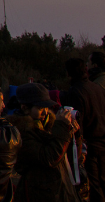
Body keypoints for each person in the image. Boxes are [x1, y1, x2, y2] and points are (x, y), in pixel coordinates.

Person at [6, 83, 81, 202]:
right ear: (25, 108)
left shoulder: (49, 125)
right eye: (41, 108)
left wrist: (73, 135)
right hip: (38, 192)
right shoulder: (20, 131)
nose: (45, 113)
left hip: (61, 189)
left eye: (47, 107)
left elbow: (71, 158)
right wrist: (62, 129)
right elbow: (49, 158)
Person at [61, 58, 105, 202]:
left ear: (69, 73)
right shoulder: (97, 88)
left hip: (89, 145)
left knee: (93, 185)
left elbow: (76, 122)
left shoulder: (75, 92)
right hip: (102, 141)